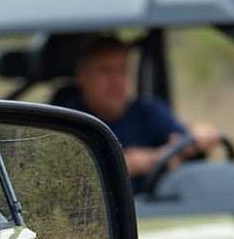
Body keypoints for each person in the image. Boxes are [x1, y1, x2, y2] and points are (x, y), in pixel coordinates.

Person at [58, 34, 221, 192]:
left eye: (122, 70)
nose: (116, 81)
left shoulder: (148, 112)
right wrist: (141, 161)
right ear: (82, 75)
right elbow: (63, 174)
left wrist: (199, 136)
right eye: (105, 71)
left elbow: (182, 141)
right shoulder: (65, 119)